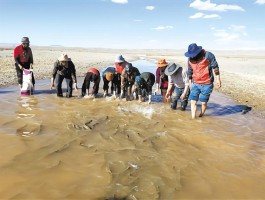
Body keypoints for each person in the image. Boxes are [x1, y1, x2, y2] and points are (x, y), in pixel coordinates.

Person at [185, 43, 221, 119]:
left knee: (203, 102)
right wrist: (190, 81)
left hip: (207, 83)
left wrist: (218, 79)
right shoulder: (190, 59)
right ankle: (193, 119)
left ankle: (201, 115)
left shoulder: (208, 55)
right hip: (195, 83)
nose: (192, 56)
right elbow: (190, 70)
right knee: (193, 101)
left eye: (193, 54)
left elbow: (215, 66)